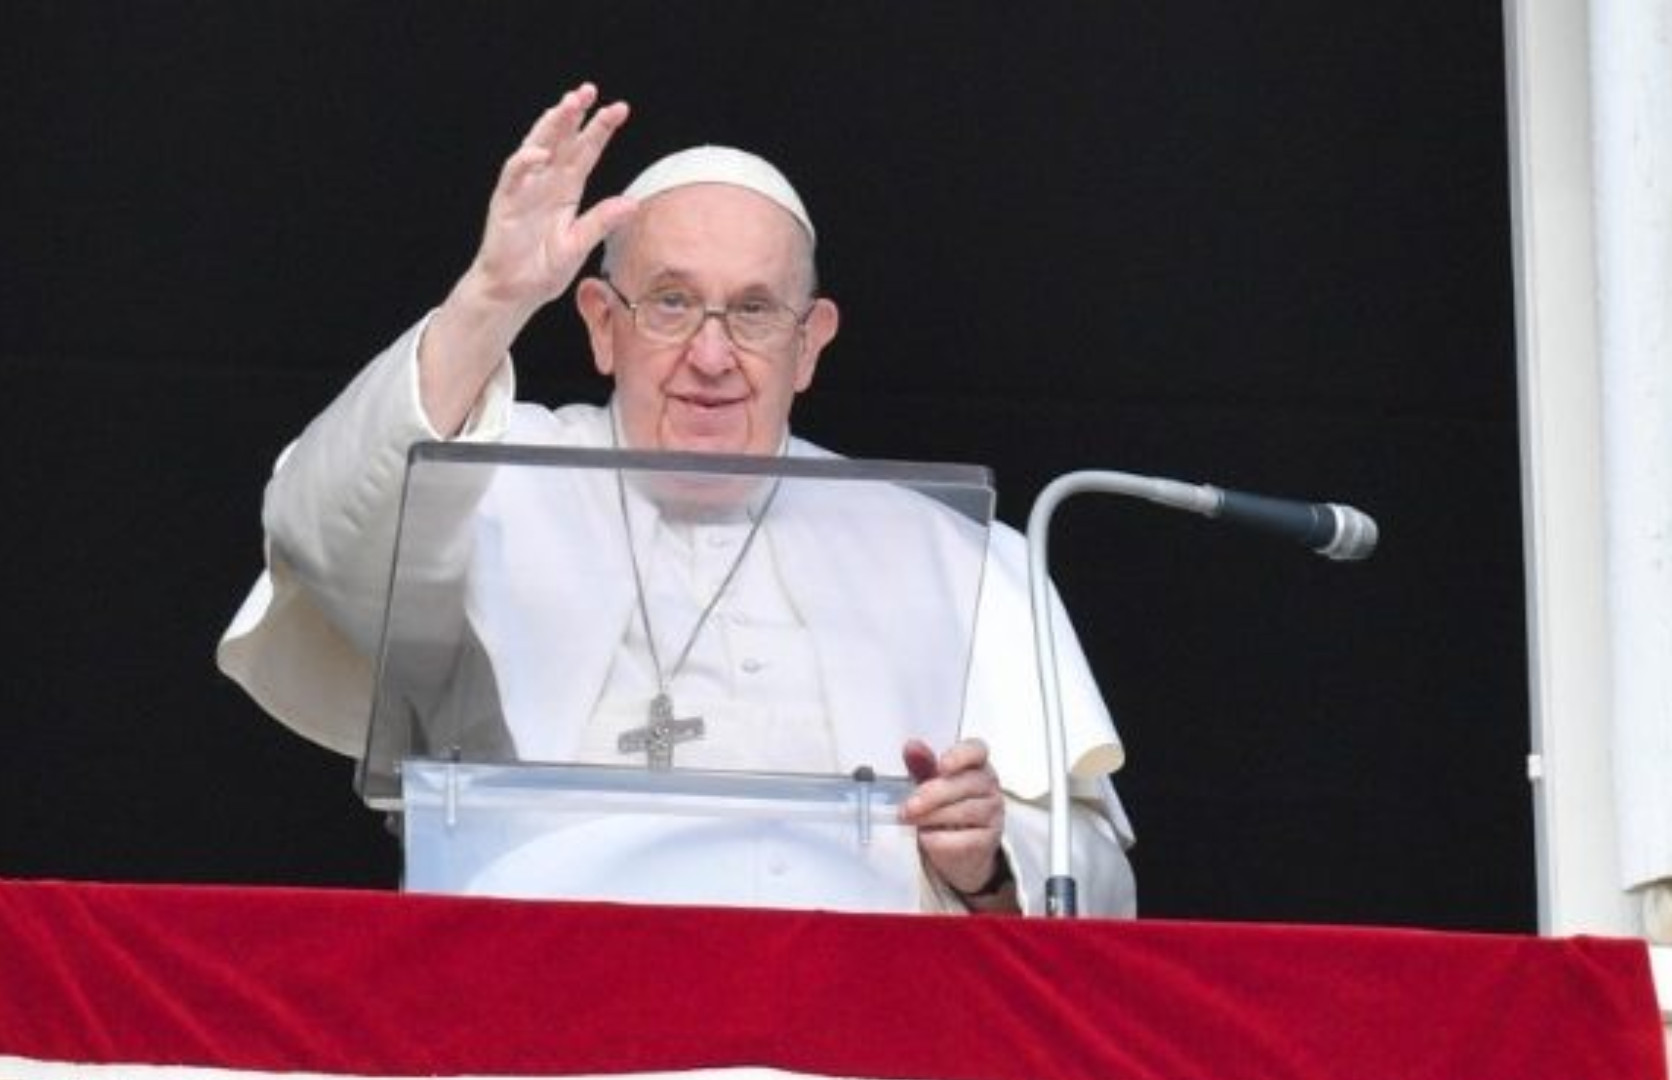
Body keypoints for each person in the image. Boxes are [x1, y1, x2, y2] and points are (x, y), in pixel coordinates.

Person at [218, 84, 1135, 916]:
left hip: (845, 1021)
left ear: (809, 344)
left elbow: (1095, 875)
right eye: (668, 302)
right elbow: (316, 531)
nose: (710, 355)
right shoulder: (484, 476)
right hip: (539, 1004)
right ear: (600, 325)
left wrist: (991, 861)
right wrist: (490, 298)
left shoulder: (947, 551)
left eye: (753, 311)